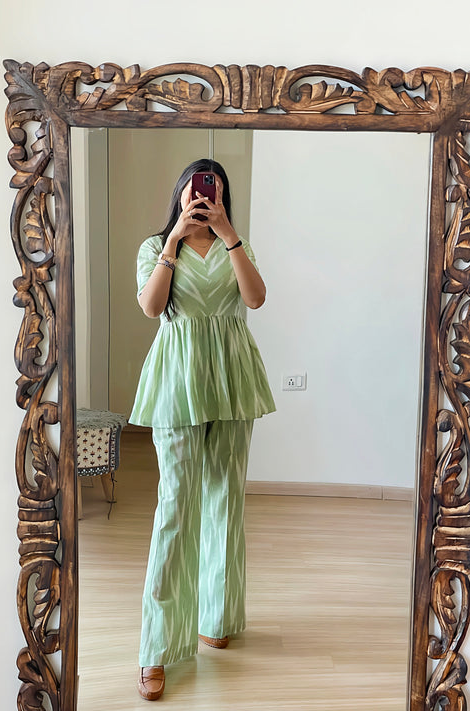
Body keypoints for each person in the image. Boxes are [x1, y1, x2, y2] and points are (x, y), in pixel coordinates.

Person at [129, 158, 275, 701]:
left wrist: (229, 234)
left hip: (233, 381)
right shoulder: (154, 246)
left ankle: (217, 615)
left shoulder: (239, 244)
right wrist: (173, 241)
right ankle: (157, 648)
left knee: (226, 501)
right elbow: (151, 308)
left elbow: (255, 299)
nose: (203, 198)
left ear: (221, 197)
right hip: (178, 383)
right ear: (181, 193)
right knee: (175, 510)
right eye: (195, 190)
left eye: (212, 192)